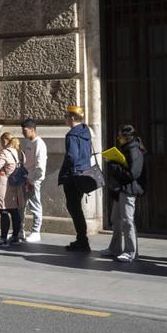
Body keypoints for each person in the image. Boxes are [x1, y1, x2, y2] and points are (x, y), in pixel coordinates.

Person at [58, 106, 98, 252]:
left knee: (74, 208)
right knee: (77, 208)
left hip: (72, 177)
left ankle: (82, 240)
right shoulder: (86, 132)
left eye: (66, 116)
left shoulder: (71, 135)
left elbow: (72, 156)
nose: (65, 118)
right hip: (84, 174)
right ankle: (82, 239)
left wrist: (68, 170)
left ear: (72, 118)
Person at [103, 125, 146, 263]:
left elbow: (133, 174)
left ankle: (130, 252)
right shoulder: (127, 149)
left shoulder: (134, 151)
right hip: (120, 189)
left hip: (129, 190)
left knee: (128, 220)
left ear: (127, 138)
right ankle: (115, 248)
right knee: (115, 219)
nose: (118, 139)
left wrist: (114, 165)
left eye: (120, 137)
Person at [0, 132, 24, 246]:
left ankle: (3, 239)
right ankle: (15, 236)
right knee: (14, 211)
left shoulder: (4, 153)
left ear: (4, 141)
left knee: (3, 210)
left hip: (5, 185)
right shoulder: (19, 151)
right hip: (16, 184)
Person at [20, 119, 47, 242]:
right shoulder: (30, 143)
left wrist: (32, 180)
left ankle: (36, 231)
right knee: (21, 205)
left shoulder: (39, 144)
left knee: (35, 205)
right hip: (26, 179)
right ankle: (19, 230)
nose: (23, 133)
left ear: (32, 129)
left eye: (25, 130)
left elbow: (40, 167)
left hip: (33, 180)